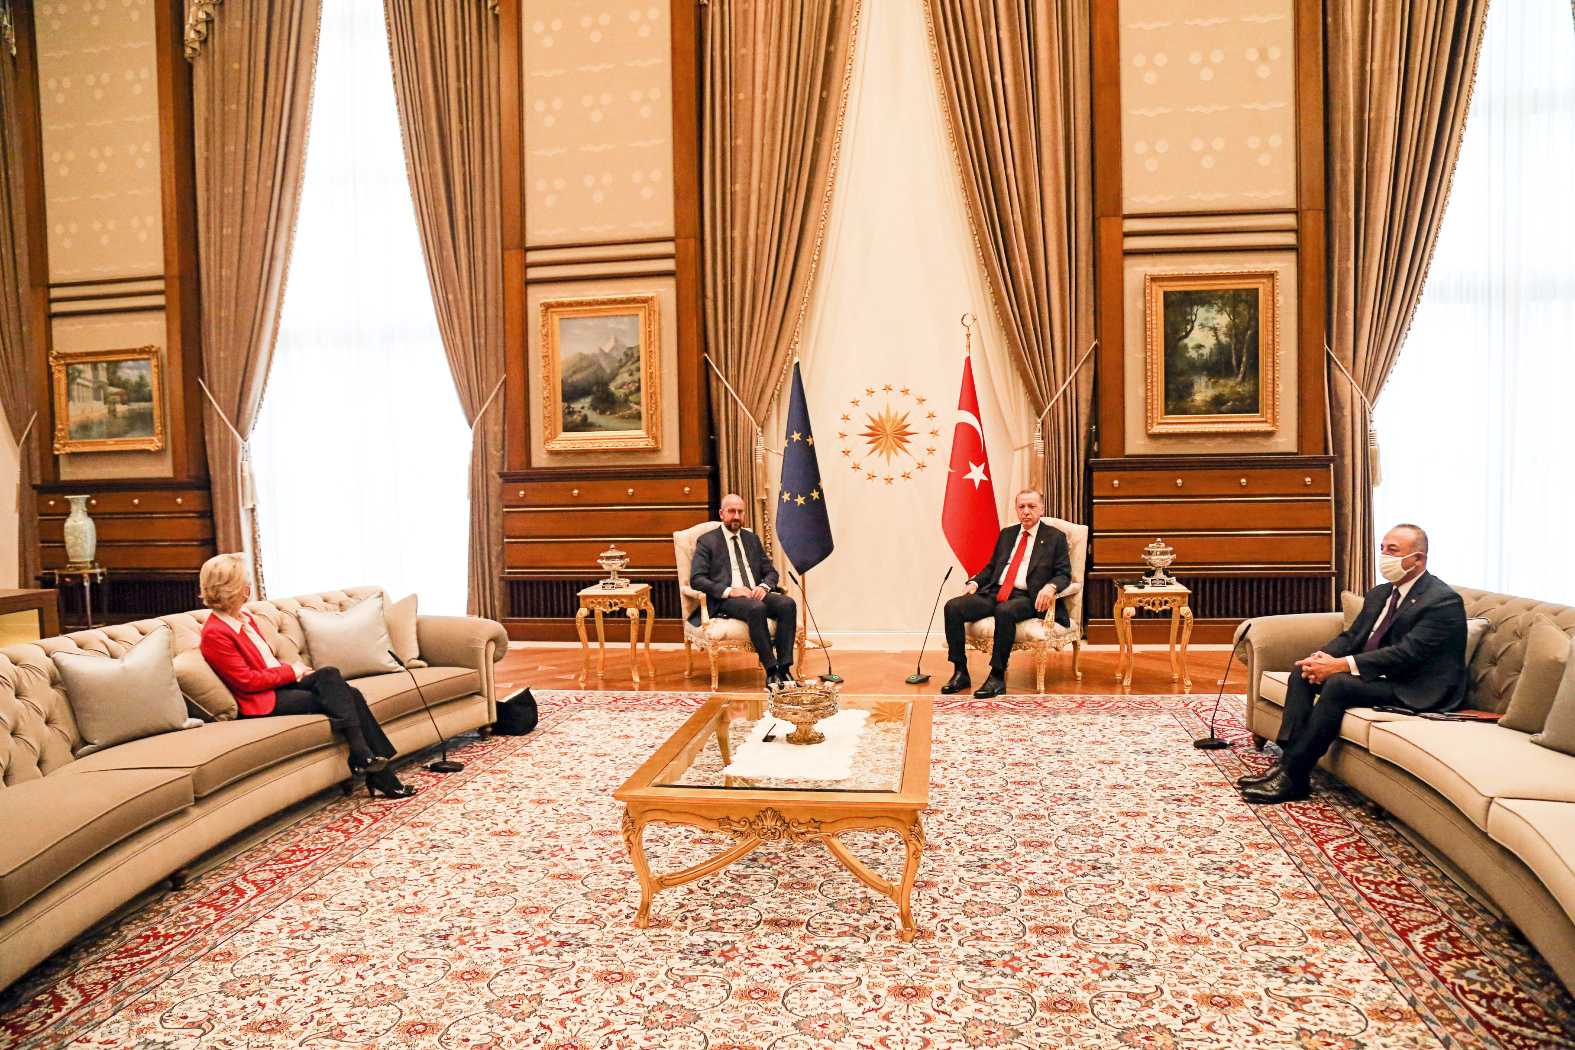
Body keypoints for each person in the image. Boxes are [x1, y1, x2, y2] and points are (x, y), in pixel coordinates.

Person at [1239, 524, 1467, 804]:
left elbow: (1406, 654)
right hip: (1380, 675)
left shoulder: (1442, 601)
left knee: (1339, 684)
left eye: (1393, 550)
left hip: (1417, 686)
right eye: (1382, 549)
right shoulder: (1381, 593)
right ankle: (1288, 764)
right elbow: (1352, 637)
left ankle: (1294, 775)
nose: (1384, 556)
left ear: (1418, 559)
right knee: (1302, 673)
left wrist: (1339, 666)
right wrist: (1319, 659)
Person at [197, 553, 416, 799]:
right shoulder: (215, 633)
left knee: (332, 677)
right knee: (349, 695)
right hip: (262, 700)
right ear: (235, 588)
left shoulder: (244, 617)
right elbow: (247, 681)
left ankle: (366, 759)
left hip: (279, 684)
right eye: (246, 579)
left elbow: (265, 662)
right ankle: (375, 767)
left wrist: (294, 670)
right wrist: (291, 672)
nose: (250, 584)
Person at [940, 489, 1072, 699]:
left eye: (1031, 506)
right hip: (996, 592)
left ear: (1041, 509)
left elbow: (1064, 573)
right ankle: (960, 672)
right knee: (953, 607)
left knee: (1005, 611)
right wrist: (974, 582)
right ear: (1016, 510)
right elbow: (992, 567)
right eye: (1021, 507)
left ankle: (997, 676)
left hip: (1027, 598)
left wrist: (1051, 587)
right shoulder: (1007, 534)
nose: (1026, 511)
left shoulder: (1055, 537)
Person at [689, 494, 798, 691]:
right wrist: (731, 591)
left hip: (754, 594)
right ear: (721, 514)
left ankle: (785, 669)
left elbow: (771, 572)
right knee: (756, 608)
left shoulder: (751, 539)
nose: (736, 516)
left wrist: (763, 587)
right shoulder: (707, 541)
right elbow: (697, 578)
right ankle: (771, 671)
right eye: (731, 511)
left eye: (740, 511)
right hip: (726, 599)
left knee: (787, 604)